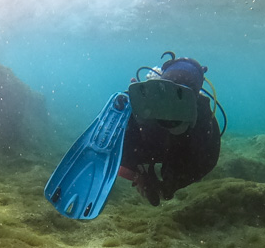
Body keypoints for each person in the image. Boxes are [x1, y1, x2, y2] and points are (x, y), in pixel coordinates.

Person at [43, 51, 225, 220]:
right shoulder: (143, 106)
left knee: (160, 159)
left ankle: (150, 173)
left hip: (173, 150)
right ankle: (148, 172)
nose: (168, 112)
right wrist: (152, 182)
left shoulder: (202, 126)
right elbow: (201, 166)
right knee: (136, 148)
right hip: (157, 146)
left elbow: (200, 165)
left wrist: (162, 186)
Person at [118, 54, 223, 206]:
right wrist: (139, 176)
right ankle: (151, 175)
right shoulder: (143, 101)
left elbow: (203, 162)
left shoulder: (202, 120)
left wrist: (168, 186)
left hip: (176, 149)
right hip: (159, 147)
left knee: (175, 169)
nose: (169, 111)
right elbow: (205, 163)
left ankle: (160, 179)